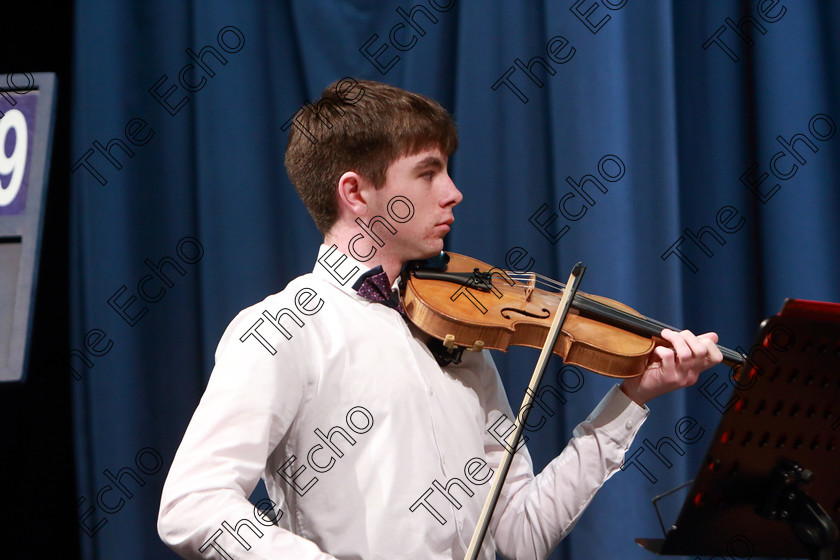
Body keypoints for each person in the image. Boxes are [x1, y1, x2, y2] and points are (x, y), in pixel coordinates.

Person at [157, 78, 723, 559]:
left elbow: (521, 533)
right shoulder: (285, 328)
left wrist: (632, 397)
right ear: (355, 191)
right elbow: (194, 504)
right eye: (428, 173)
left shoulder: (459, 332)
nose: (453, 192)